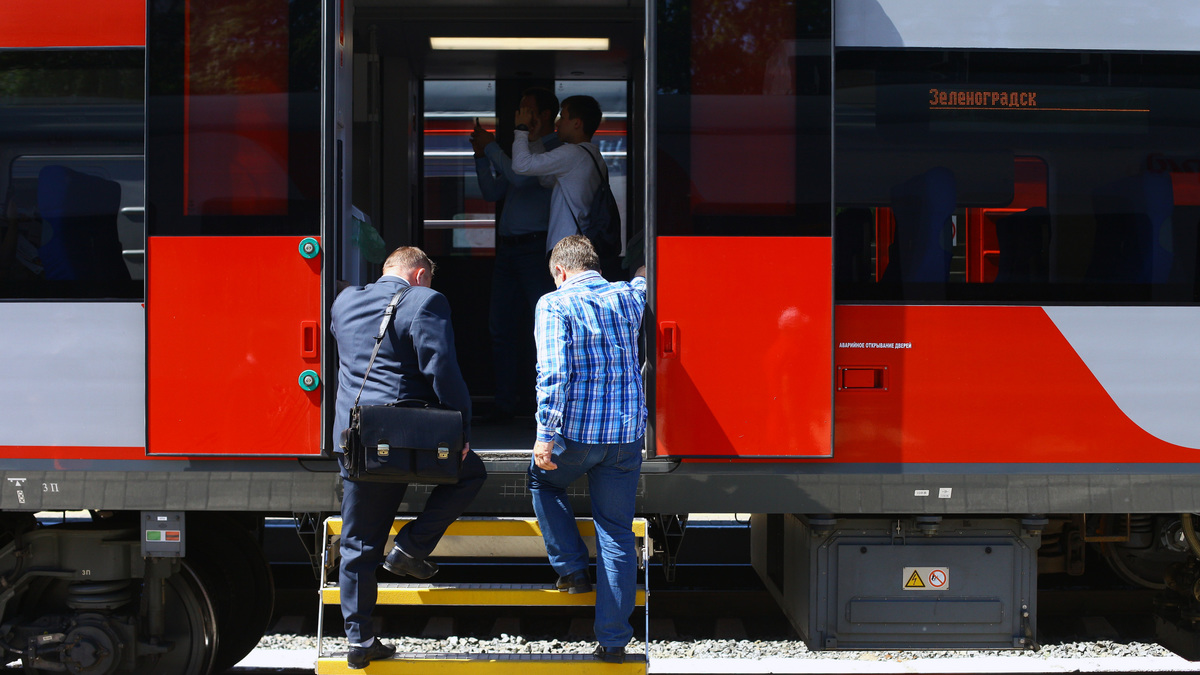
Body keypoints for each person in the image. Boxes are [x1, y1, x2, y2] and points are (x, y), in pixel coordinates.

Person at [330, 246, 487, 669]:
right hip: (408, 439)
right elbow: (441, 368)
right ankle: (410, 548)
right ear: (419, 275)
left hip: (356, 439)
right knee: (472, 474)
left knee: (357, 542)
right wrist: (462, 430)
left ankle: (359, 641)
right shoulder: (424, 300)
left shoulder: (343, 303)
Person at [528, 235, 647, 664]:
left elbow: (554, 374)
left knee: (542, 482)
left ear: (560, 271)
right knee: (616, 532)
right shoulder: (628, 297)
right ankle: (614, 642)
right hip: (626, 438)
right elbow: (643, 280)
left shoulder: (554, 304)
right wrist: (639, 269)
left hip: (577, 437)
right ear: (593, 264)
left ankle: (572, 569)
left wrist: (545, 435)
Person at [470, 87, 561, 422]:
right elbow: (493, 190)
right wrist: (481, 155)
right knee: (501, 329)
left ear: (548, 115)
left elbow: (518, 178)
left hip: (536, 250)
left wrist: (491, 147)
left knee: (541, 329)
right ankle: (506, 404)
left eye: (529, 109)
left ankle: (543, 405)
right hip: (508, 251)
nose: (523, 116)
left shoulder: (555, 149)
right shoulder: (521, 151)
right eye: (520, 110)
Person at [510, 95, 605, 255]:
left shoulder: (572, 153)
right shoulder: (593, 155)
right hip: (578, 245)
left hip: (566, 247)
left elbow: (520, 165)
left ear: (577, 123)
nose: (557, 123)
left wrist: (521, 129)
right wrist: (535, 141)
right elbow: (548, 180)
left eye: (563, 117)